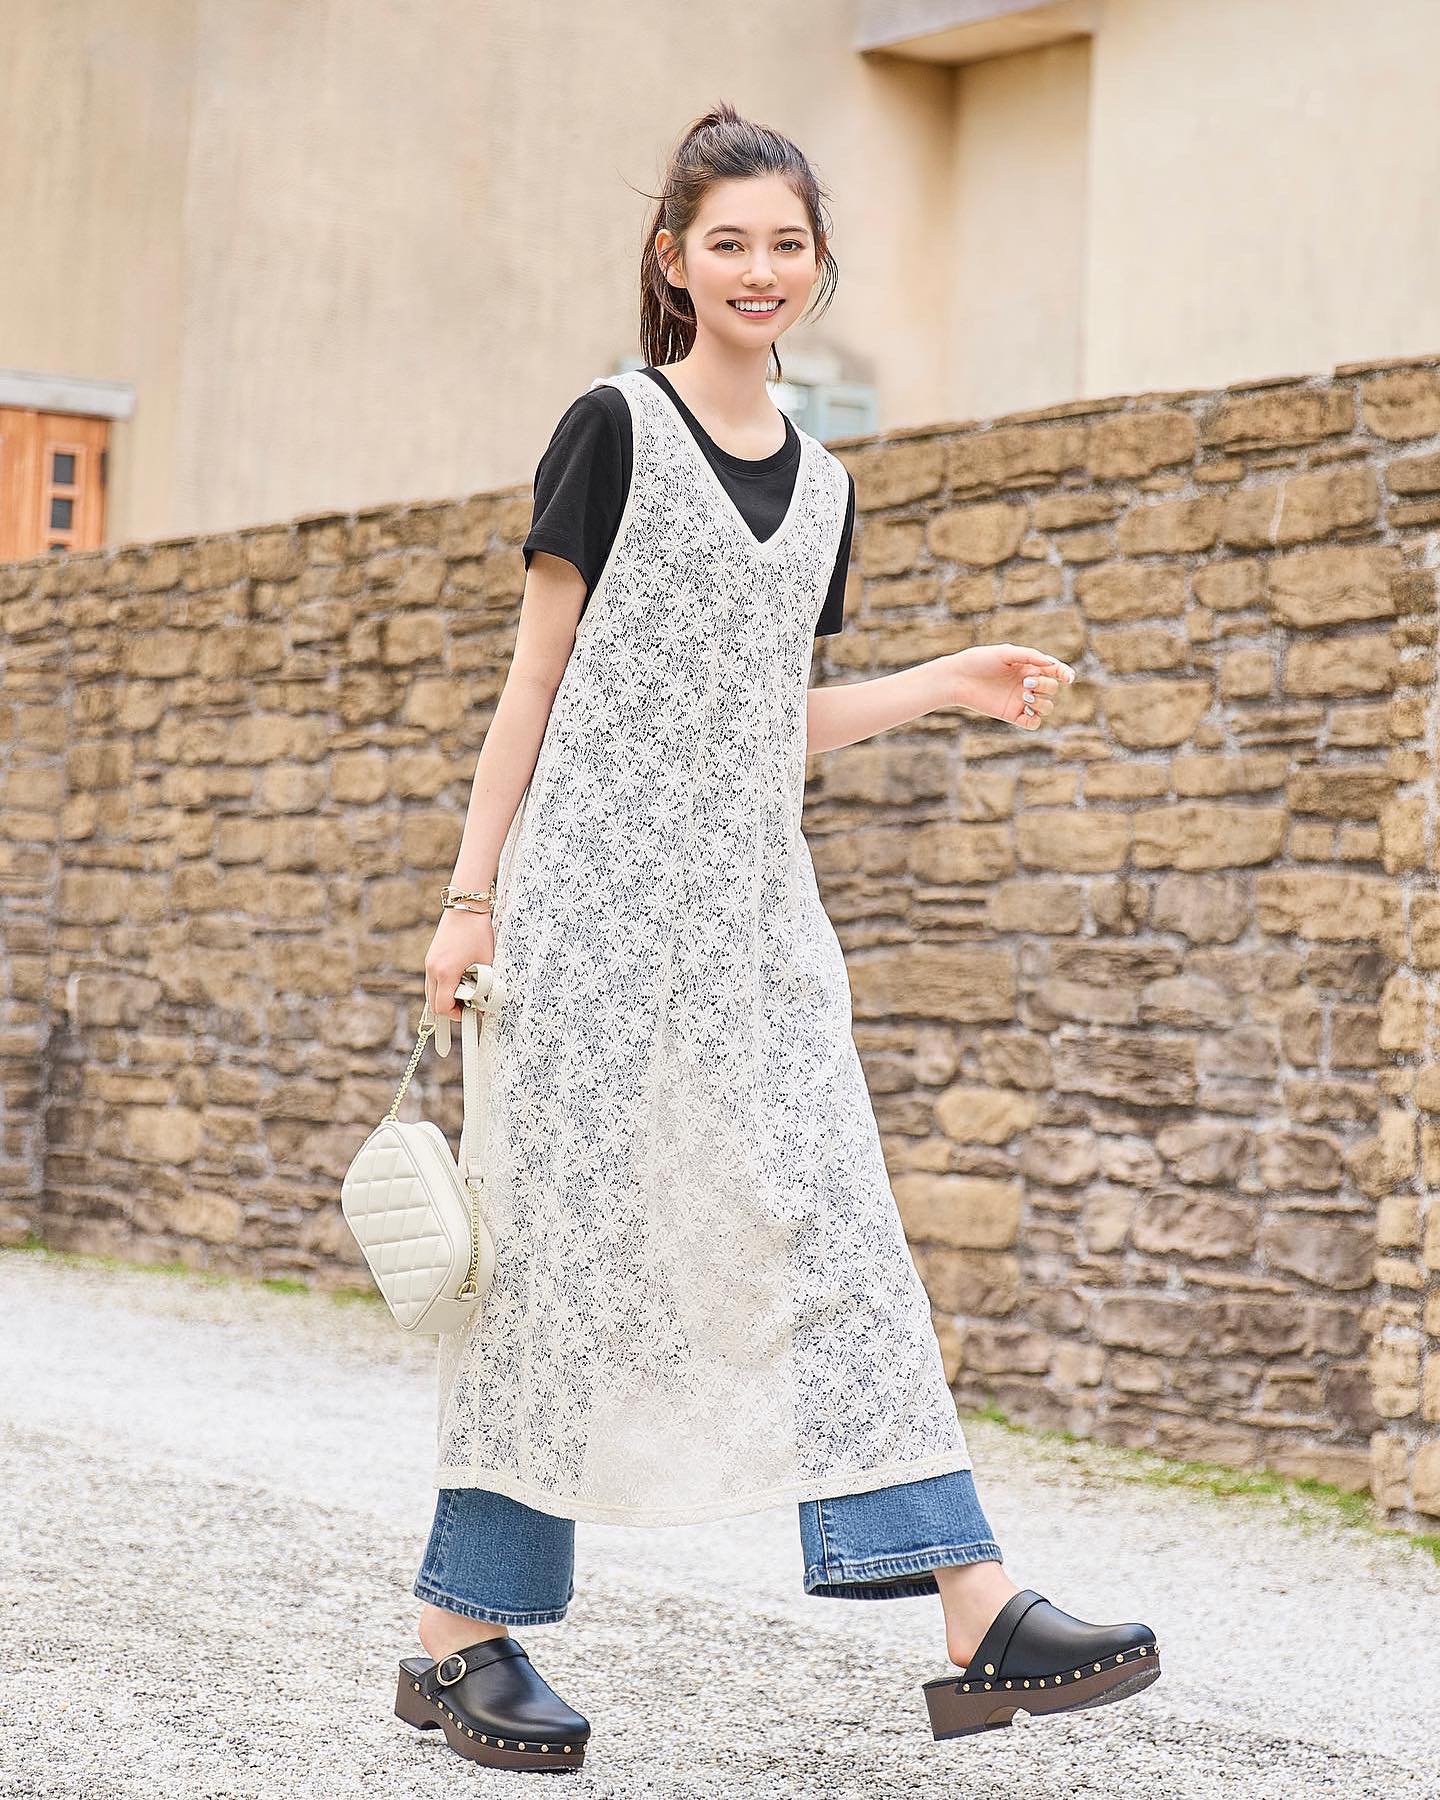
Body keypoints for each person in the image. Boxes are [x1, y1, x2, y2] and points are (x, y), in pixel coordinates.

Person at [394, 102, 1160, 1774]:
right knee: (562, 1259)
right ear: (674, 261)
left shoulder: (826, 487)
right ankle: (461, 1636)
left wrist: (949, 681)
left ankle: (975, 1603)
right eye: (727, 241)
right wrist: (469, 900)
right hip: (590, 914)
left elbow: (763, 720)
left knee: (839, 1228)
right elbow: (536, 679)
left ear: (818, 266)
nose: (759, 268)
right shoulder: (612, 428)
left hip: (756, 925)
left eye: (786, 244)